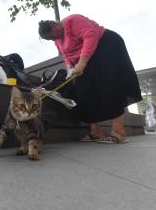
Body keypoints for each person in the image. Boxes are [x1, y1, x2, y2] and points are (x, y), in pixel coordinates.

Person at [38, 14, 142, 143]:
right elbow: (66, 55)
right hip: (89, 57)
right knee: (83, 90)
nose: (53, 39)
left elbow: (91, 36)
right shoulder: (57, 40)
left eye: (52, 36)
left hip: (106, 45)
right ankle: (95, 131)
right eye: (50, 39)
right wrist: (71, 68)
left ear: (54, 25)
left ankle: (119, 132)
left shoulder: (72, 21)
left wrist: (82, 63)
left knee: (109, 85)